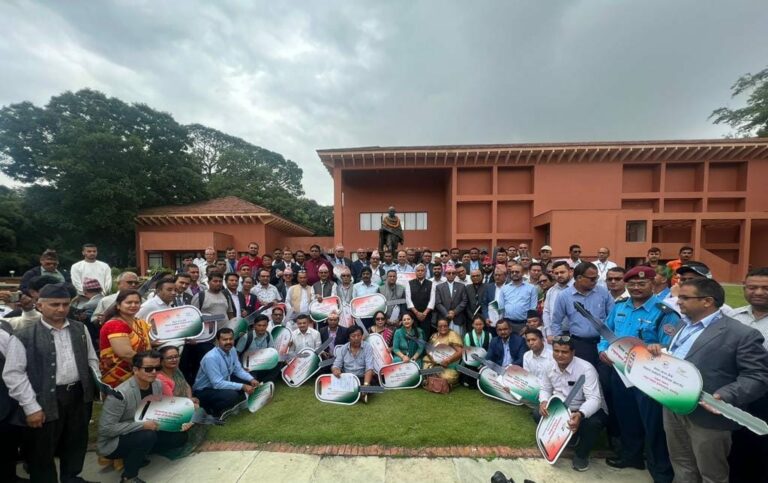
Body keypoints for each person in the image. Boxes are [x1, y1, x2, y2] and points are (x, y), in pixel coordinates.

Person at [659, 278, 768, 483]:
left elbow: (757, 376)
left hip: (708, 415)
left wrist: (726, 395)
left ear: (707, 301)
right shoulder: (682, 324)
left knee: (711, 474)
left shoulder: (741, 334)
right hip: (673, 406)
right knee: (682, 465)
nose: (678, 302)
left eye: (684, 298)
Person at [3, 283, 100, 483]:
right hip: (43, 399)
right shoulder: (24, 335)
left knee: (75, 441)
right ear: (39, 306)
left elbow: (91, 359)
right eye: (55, 304)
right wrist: (31, 407)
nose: (61, 309)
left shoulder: (80, 328)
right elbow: (14, 374)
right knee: (41, 449)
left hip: (78, 395)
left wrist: (97, 384)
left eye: (65, 304)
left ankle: (71, 477)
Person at [597, 266, 678, 482]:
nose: (636, 287)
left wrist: (658, 347)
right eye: (632, 283)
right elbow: (606, 332)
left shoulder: (664, 312)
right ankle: (631, 456)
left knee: (653, 423)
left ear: (653, 284)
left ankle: (660, 469)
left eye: (642, 283)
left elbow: (671, 345)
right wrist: (603, 350)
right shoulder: (620, 306)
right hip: (620, 372)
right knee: (626, 416)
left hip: (648, 376)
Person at [98, 350, 189, 483]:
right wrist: (142, 426)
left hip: (145, 429)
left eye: (157, 368)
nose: (154, 372)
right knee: (147, 436)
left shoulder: (157, 384)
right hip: (114, 441)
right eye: (148, 369)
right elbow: (106, 429)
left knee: (179, 437)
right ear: (135, 370)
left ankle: (139, 453)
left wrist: (178, 422)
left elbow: (158, 411)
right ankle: (128, 477)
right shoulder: (120, 394)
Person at [538, 336, 608, 472]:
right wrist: (544, 402)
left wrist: (580, 414)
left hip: (586, 408)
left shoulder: (586, 369)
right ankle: (571, 437)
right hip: (563, 407)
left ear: (573, 352)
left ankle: (581, 455)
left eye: (564, 352)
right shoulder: (548, 366)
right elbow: (545, 388)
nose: (559, 355)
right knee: (538, 414)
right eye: (556, 351)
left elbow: (594, 399)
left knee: (593, 424)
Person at [730, 267, 768, 482]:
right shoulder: (734, 317)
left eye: (765, 288)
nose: (759, 292)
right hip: (736, 390)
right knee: (737, 442)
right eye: (752, 287)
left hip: (765, 393)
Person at [551, 262, 614, 367]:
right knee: (584, 374)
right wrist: (561, 343)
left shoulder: (603, 292)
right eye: (592, 279)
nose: (595, 281)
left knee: (604, 375)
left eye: (596, 277)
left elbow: (613, 316)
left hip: (604, 343)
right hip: (580, 345)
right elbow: (556, 322)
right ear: (579, 278)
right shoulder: (564, 296)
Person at [192, 328, 259, 417]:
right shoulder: (211, 358)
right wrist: (242, 386)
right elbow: (217, 384)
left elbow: (238, 370)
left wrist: (251, 379)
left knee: (252, 377)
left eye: (230, 339)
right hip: (205, 390)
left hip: (223, 382)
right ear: (217, 341)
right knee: (231, 395)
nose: (228, 342)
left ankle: (237, 400)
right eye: (224, 339)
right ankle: (213, 410)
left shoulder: (232, 349)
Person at [100, 289, 154, 388]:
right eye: (129, 302)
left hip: (141, 372)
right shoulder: (115, 325)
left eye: (137, 302)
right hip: (119, 377)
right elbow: (126, 354)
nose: (133, 305)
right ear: (118, 305)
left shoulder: (139, 322)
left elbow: (146, 344)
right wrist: (151, 365)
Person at [331, 326, 375, 402]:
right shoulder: (343, 348)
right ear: (348, 338)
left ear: (362, 336)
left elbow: (369, 368)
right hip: (347, 379)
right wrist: (335, 370)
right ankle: (360, 394)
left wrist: (366, 384)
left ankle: (361, 392)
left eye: (359, 335)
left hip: (362, 378)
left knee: (371, 385)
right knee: (337, 384)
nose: (356, 338)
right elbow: (336, 365)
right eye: (353, 336)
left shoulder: (368, 347)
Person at [497, 263, 538, 334]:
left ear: (522, 273)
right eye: (512, 272)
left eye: (517, 272)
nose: (514, 274)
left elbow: (533, 308)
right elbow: (501, 308)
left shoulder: (531, 288)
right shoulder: (504, 288)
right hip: (508, 324)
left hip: (524, 324)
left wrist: (528, 326)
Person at [237, 316, 280, 383]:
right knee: (250, 379)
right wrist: (241, 368)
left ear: (267, 326)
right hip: (248, 367)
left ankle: (265, 382)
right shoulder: (246, 337)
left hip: (262, 364)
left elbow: (272, 352)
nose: (261, 328)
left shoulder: (268, 335)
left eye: (264, 325)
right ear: (254, 326)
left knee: (278, 363)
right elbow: (236, 354)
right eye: (259, 325)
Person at [422, 318, 463, 386]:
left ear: (448, 326)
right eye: (440, 326)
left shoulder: (452, 335)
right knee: (423, 369)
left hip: (449, 365)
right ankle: (434, 379)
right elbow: (428, 348)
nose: (443, 328)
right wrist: (433, 357)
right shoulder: (434, 336)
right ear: (437, 327)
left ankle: (431, 379)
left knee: (448, 377)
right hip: (434, 362)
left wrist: (448, 360)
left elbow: (460, 351)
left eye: (445, 326)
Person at [542, 261, 573, 339]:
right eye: (556, 273)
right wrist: (549, 333)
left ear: (570, 272)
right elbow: (546, 312)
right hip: (555, 333)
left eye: (562, 272)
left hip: (574, 334)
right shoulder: (551, 291)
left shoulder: (577, 288)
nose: (559, 275)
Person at [435, 266, 468, 337]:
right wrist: (446, 314)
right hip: (444, 318)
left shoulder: (461, 286)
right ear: (445, 274)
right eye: (449, 273)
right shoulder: (439, 287)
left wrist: (454, 312)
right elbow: (438, 303)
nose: (451, 275)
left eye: (453, 273)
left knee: (457, 339)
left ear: (456, 275)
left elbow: (464, 301)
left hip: (457, 318)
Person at [405, 264, 435, 338]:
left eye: (422, 270)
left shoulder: (431, 283)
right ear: (415, 272)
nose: (420, 272)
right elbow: (408, 300)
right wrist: (417, 313)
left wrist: (424, 313)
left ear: (425, 272)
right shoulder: (409, 283)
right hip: (413, 315)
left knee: (425, 335)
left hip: (426, 315)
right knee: (414, 335)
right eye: (418, 270)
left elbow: (432, 300)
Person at [461, 315, 492, 388]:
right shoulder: (468, 335)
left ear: (483, 324)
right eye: (476, 324)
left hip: (484, 362)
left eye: (480, 324)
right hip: (472, 362)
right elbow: (468, 353)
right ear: (473, 325)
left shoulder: (489, 335)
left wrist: (483, 363)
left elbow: (490, 351)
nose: (478, 327)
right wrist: (477, 363)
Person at [481, 266, 507, 336]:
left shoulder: (509, 287)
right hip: (491, 322)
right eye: (495, 275)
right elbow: (484, 304)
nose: (497, 277)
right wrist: (486, 317)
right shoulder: (489, 287)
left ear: (505, 276)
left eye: (499, 275)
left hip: (505, 322)